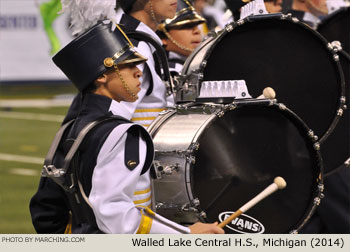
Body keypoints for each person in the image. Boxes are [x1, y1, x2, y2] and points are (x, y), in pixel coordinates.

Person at [30, 21, 224, 234]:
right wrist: (185, 235)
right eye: (128, 65)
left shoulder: (66, 131)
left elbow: (45, 210)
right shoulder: (123, 135)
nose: (138, 73)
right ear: (102, 76)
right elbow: (116, 215)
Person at [156, 0, 206, 77]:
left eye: (197, 25)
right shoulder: (170, 72)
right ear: (162, 37)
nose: (197, 31)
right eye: (187, 26)